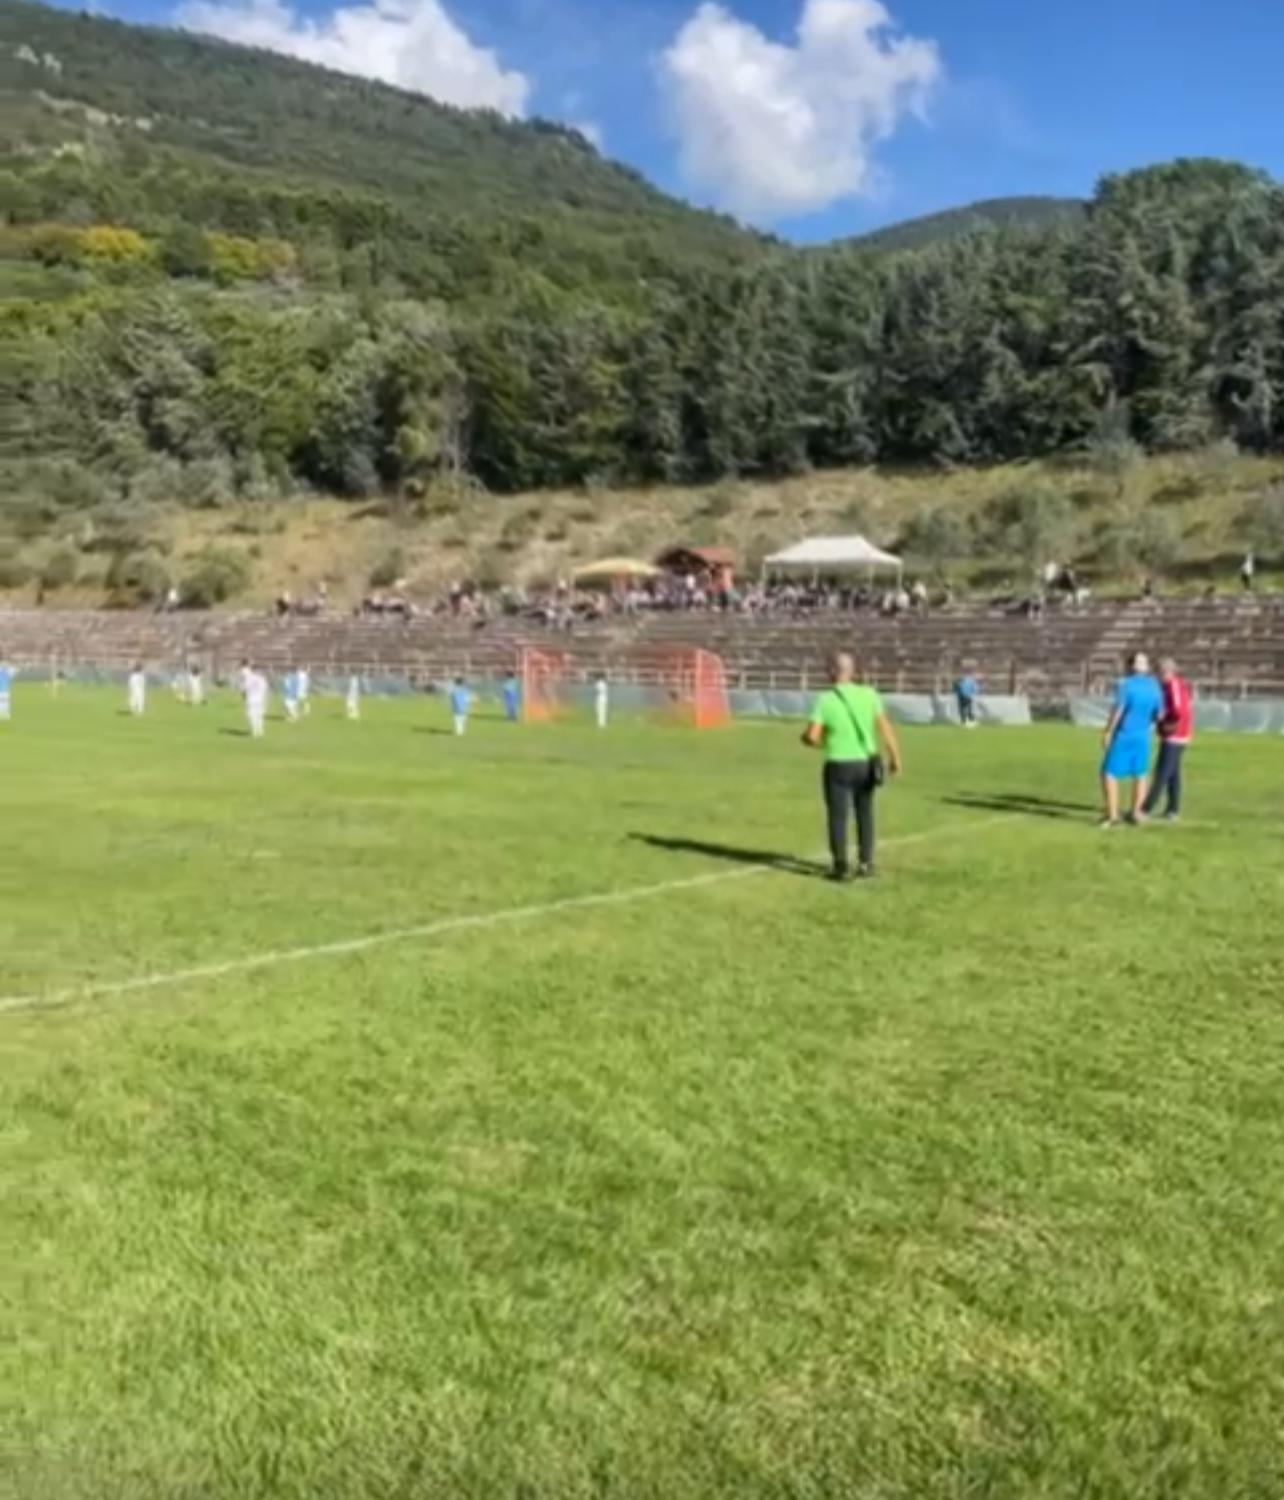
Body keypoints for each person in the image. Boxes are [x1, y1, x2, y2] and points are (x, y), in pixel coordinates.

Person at [802, 652, 903, 881]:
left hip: (839, 763)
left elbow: (813, 736)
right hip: (866, 762)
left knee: (838, 816)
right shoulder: (869, 695)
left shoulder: (826, 700)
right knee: (865, 813)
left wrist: (810, 740)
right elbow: (885, 727)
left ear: (832, 672)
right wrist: (895, 756)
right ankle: (866, 863)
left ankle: (841, 865)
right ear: (853, 671)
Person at [1100, 651, 1163, 828]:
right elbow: (1159, 714)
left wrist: (1108, 731)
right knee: (1140, 773)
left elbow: (1119, 709)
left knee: (1109, 773)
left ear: (1131, 666)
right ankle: (1136, 812)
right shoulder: (1154, 686)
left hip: (1125, 734)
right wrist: (1150, 727)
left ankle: (1113, 815)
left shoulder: (1126, 685)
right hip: (1143, 736)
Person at [1142, 657, 1194, 822]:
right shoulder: (1176, 686)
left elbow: (1178, 710)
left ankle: (1145, 809)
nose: (1157, 677)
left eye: (1159, 673)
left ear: (1167, 672)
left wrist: (1163, 719)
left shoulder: (1173, 685)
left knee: (1162, 773)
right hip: (1179, 734)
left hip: (1175, 735)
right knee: (1173, 774)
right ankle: (1173, 809)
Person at [244, 664, 268, 739]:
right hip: (260, 699)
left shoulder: (249, 678)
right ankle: (260, 731)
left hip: (251, 699)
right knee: (259, 716)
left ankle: (254, 732)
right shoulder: (262, 679)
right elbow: (265, 689)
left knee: (252, 716)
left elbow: (245, 688)